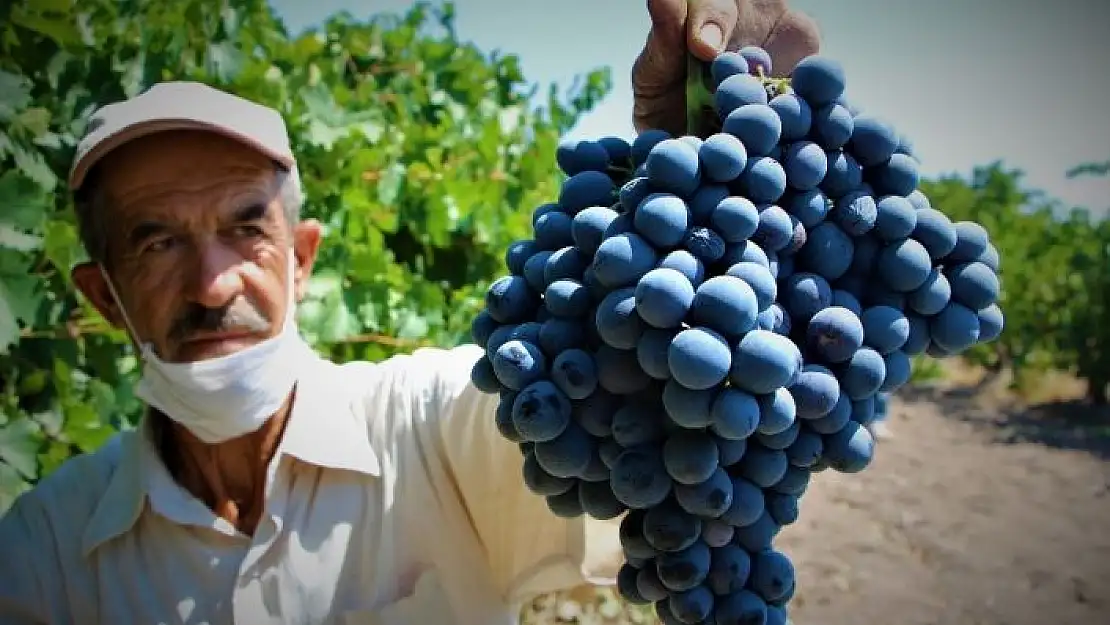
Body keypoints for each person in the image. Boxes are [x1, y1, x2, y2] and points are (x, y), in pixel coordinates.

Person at [0, 2, 819, 623]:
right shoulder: (41, 553)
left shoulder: (429, 427)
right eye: (154, 243)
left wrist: (730, 175)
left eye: (246, 229)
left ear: (304, 256)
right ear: (101, 295)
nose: (213, 284)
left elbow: (647, 413)